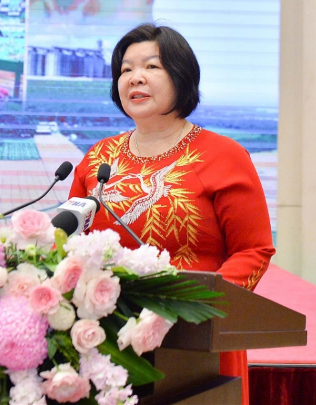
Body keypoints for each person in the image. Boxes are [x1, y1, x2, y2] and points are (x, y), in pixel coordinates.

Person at [68, 24, 275, 405]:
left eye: (151, 66)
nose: (135, 78)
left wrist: (191, 307)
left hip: (197, 340)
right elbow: (71, 247)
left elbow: (253, 251)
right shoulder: (98, 158)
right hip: (107, 338)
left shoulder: (223, 156)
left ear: (181, 76)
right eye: (125, 70)